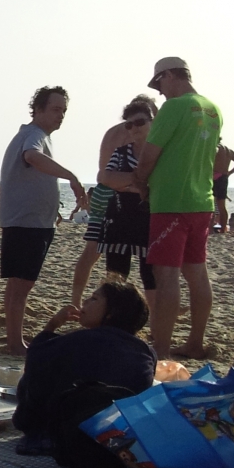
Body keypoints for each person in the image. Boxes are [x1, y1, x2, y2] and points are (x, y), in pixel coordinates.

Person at [132, 57, 222, 360]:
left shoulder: (174, 107)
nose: (159, 92)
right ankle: (195, 342)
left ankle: (161, 347)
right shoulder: (213, 108)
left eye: (159, 83)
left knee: (166, 274)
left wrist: (141, 182)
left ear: (170, 75)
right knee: (197, 273)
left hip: (171, 201)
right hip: (202, 200)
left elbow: (149, 155)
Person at [11, 282, 156, 454]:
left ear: (112, 312)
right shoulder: (146, 351)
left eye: (94, 298)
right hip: (122, 431)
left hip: (73, 429)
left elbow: (35, 358)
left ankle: (41, 431)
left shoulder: (81, 340)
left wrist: (52, 325)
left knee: (34, 376)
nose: (85, 301)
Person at [0, 86, 87, 356]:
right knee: (21, 284)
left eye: (64, 111)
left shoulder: (35, 135)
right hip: (27, 223)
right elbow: (32, 156)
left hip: (29, 221)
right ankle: (15, 343)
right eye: (55, 109)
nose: (61, 115)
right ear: (38, 110)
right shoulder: (34, 135)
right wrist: (71, 176)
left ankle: (14, 339)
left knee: (18, 284)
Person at [70, 98, 150, 307]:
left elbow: (103, 172)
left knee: (91, 252)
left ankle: (76, 300)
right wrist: (135, 186)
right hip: (116, 196)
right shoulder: (134, 134)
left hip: (101, 192)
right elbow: (110, 174)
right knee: (127, 253)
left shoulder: (113, 131)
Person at [95, 96, 160, 314]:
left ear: (152, 122)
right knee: (115, 274)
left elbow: (162, 183)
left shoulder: (161, 153)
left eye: (140, 122)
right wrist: (140, 183)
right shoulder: (122, 152)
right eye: (129, 125)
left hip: (149, 220)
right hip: (120, 218)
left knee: (151, 274)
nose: (134, 128)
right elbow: (106, 178)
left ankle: (154, 321)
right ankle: (113, 318)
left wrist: (126, 183)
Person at [212, 140, 234, 233]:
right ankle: (223, 229)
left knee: (210, 204)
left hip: (214, 176)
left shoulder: (215, 147)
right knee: (222, 206)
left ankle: (210, 228)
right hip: (224, 177)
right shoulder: (228, 151)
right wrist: (229, 173)